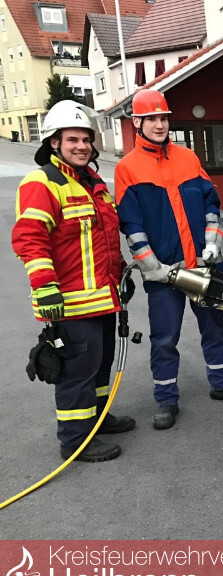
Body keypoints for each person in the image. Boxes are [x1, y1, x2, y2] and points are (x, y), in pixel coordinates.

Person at [115, 89, 223, 429]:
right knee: (164, 338)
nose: (159, 124)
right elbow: (131, 224)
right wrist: (151, 266)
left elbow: (211, 204)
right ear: (138, 123)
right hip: (163, 273)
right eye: (152, 119)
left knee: (215, 326)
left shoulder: (189, 158)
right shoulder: (127, 168)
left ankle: (222, 383)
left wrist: (213, 243)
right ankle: (166, 400)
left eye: (163, 118)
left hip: (204, 265)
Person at [12, 100, 135, 462]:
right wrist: (44, 286)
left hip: (103, 298)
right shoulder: (43, 183)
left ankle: (96, 418)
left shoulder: (93, 183)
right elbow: (29, 238)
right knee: (77, 371)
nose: (82, 146)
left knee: (100, 363)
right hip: (69, 302)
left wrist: (120, 273)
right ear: (54, 142)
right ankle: (75, 440)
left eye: (86, 139)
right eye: (72, 140)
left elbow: (105, 239)